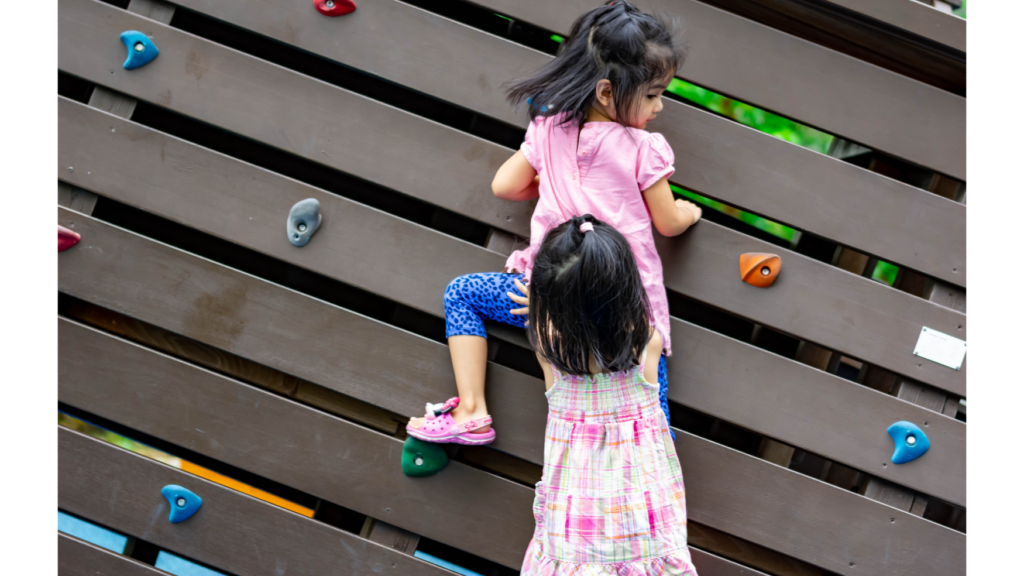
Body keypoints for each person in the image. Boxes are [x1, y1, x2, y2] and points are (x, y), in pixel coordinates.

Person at [407, 1, 701, 446]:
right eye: (654, 94)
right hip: (623, 313)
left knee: (462, 295)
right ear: (606, 93)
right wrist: (690, 211)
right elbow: (669, 222)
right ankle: (652, 459)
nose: (659, 107)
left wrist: (547, 184)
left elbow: (505, 185)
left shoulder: (549, 129)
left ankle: (471, 410)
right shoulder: (644, 148)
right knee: (649, 403)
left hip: (545, 301)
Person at [516, 216, 699, 575]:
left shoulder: (548, 352)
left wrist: (543, 306)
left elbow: (550, 323)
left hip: (572, 540)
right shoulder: (647, 343)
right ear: (627, 292)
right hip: (647, 536)